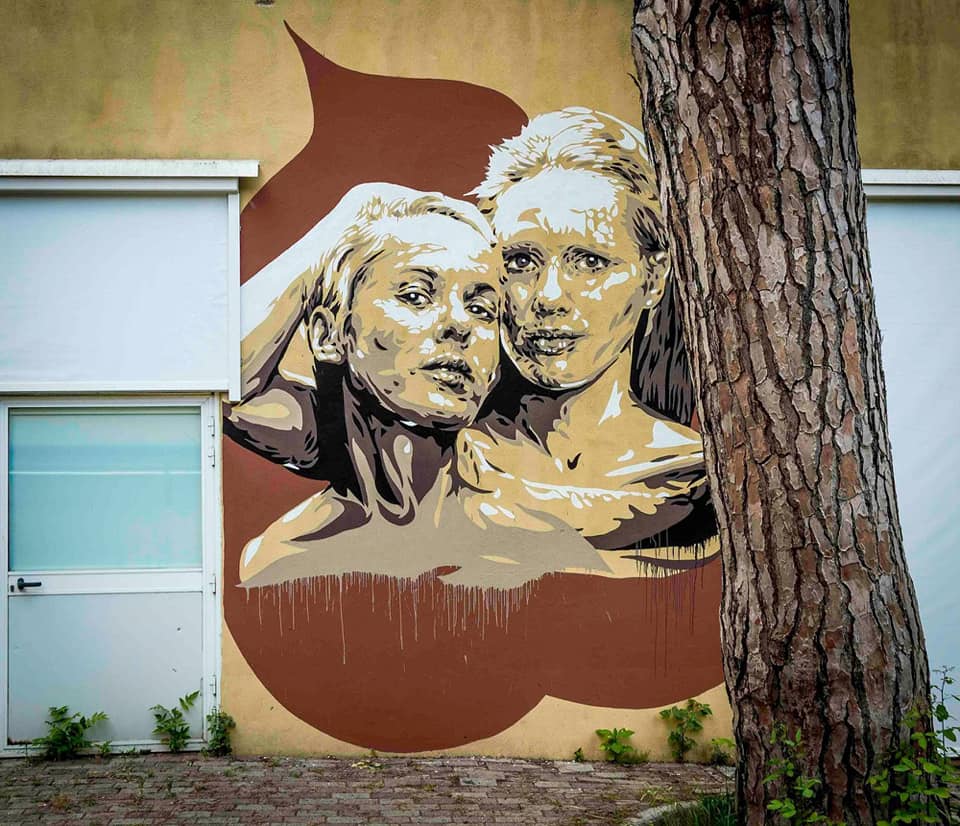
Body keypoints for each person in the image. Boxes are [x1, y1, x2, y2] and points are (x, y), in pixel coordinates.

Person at [231, 183, 601, 587]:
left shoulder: (540, 546)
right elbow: (223, 383)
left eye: (481, 309)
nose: (459, 325)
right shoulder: (279, 559)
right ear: (330, 334)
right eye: (416, 295)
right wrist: (350, 213)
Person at [457, 107, 717, 571]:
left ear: (653, 278)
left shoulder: (708, 476)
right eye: (520, 262)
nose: (548, 298)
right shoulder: (431, 461)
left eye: (590, 262)